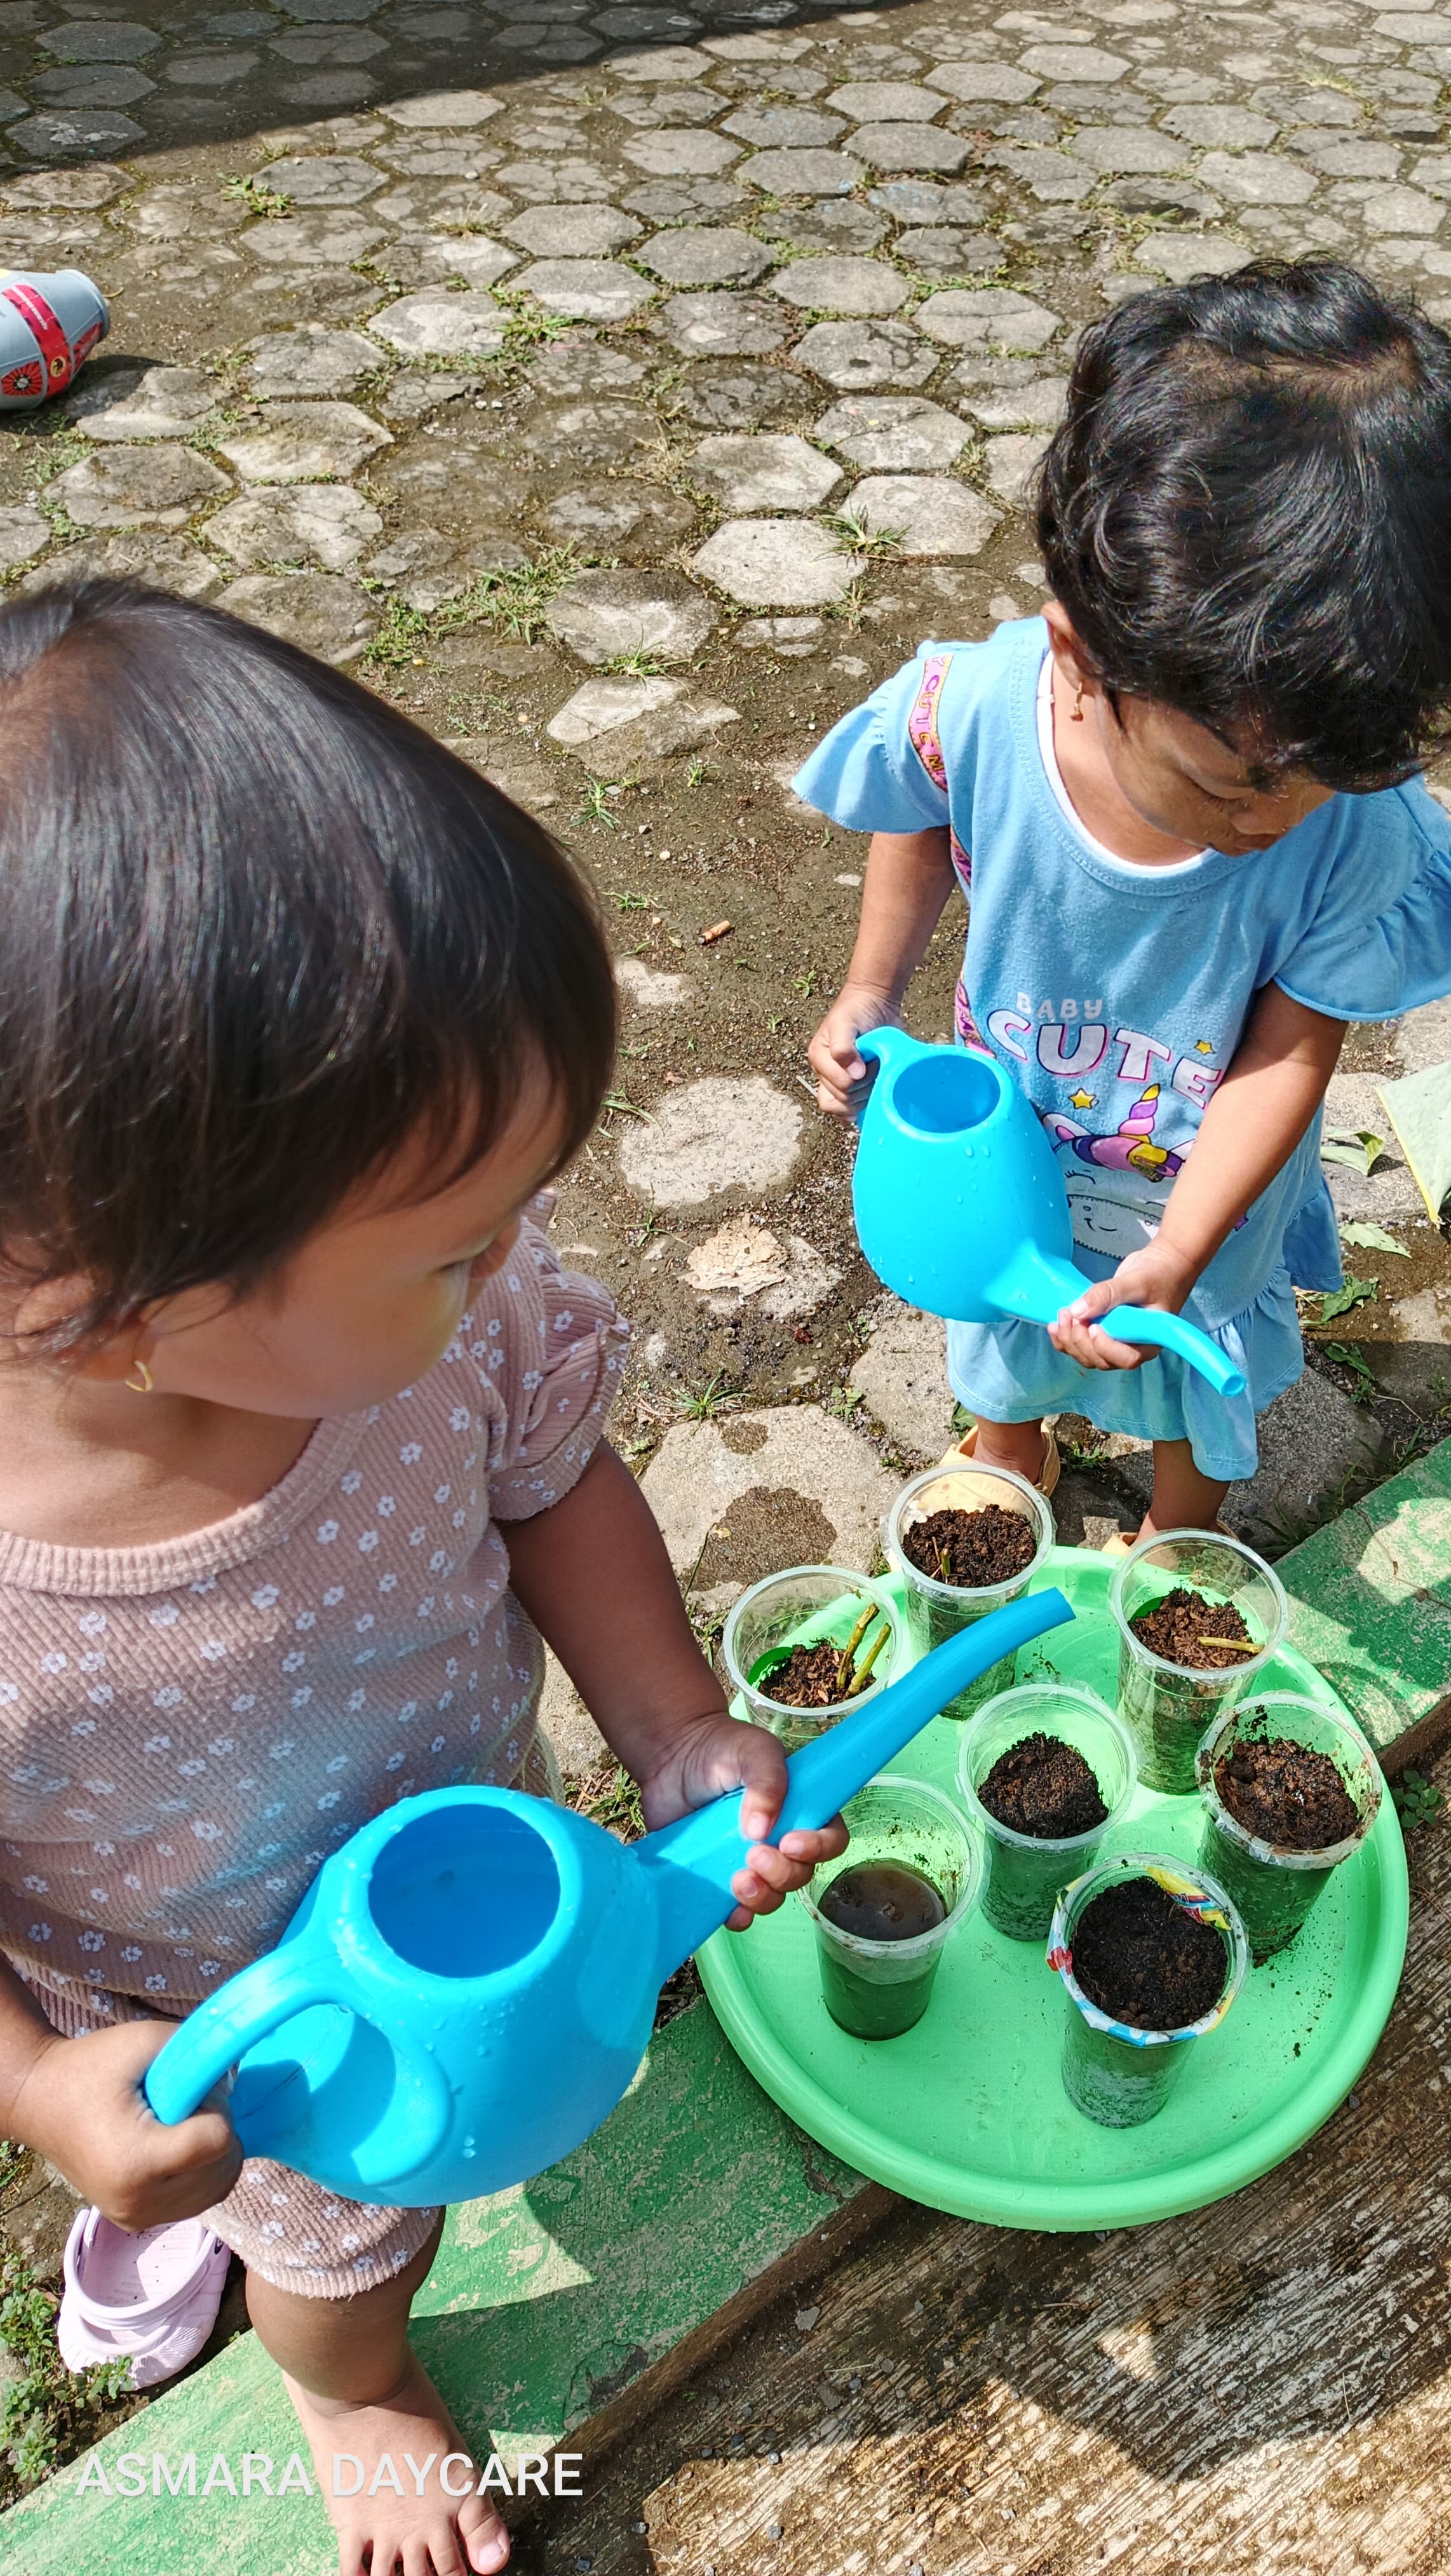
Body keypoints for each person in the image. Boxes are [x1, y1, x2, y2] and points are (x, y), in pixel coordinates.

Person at [0, 581, 844, 2576]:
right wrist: (46, 2091)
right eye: (458, 1245)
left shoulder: (449, 1327)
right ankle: (341, 2386)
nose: (516, 1266)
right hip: (235, 2009)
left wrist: (673, 1730)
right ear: (118, 1318)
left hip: (468, 1849)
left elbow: (557, 1485)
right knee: (336, 2238)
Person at [804, 257, 1451, 1538]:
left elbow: (1287, 1056)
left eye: (1331, 776)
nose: (1279, 821)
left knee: (1191, 1373)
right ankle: (1009, 1449)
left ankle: (1178, 1531)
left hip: (1197, 1200)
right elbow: (915, 816)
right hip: (1021, 1151)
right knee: (1011, 1325)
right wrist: (871, 986)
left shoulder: (1345, 818)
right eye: (1232, 787)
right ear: (1085, 657)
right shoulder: (974, 713)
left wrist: (1186, 1249)